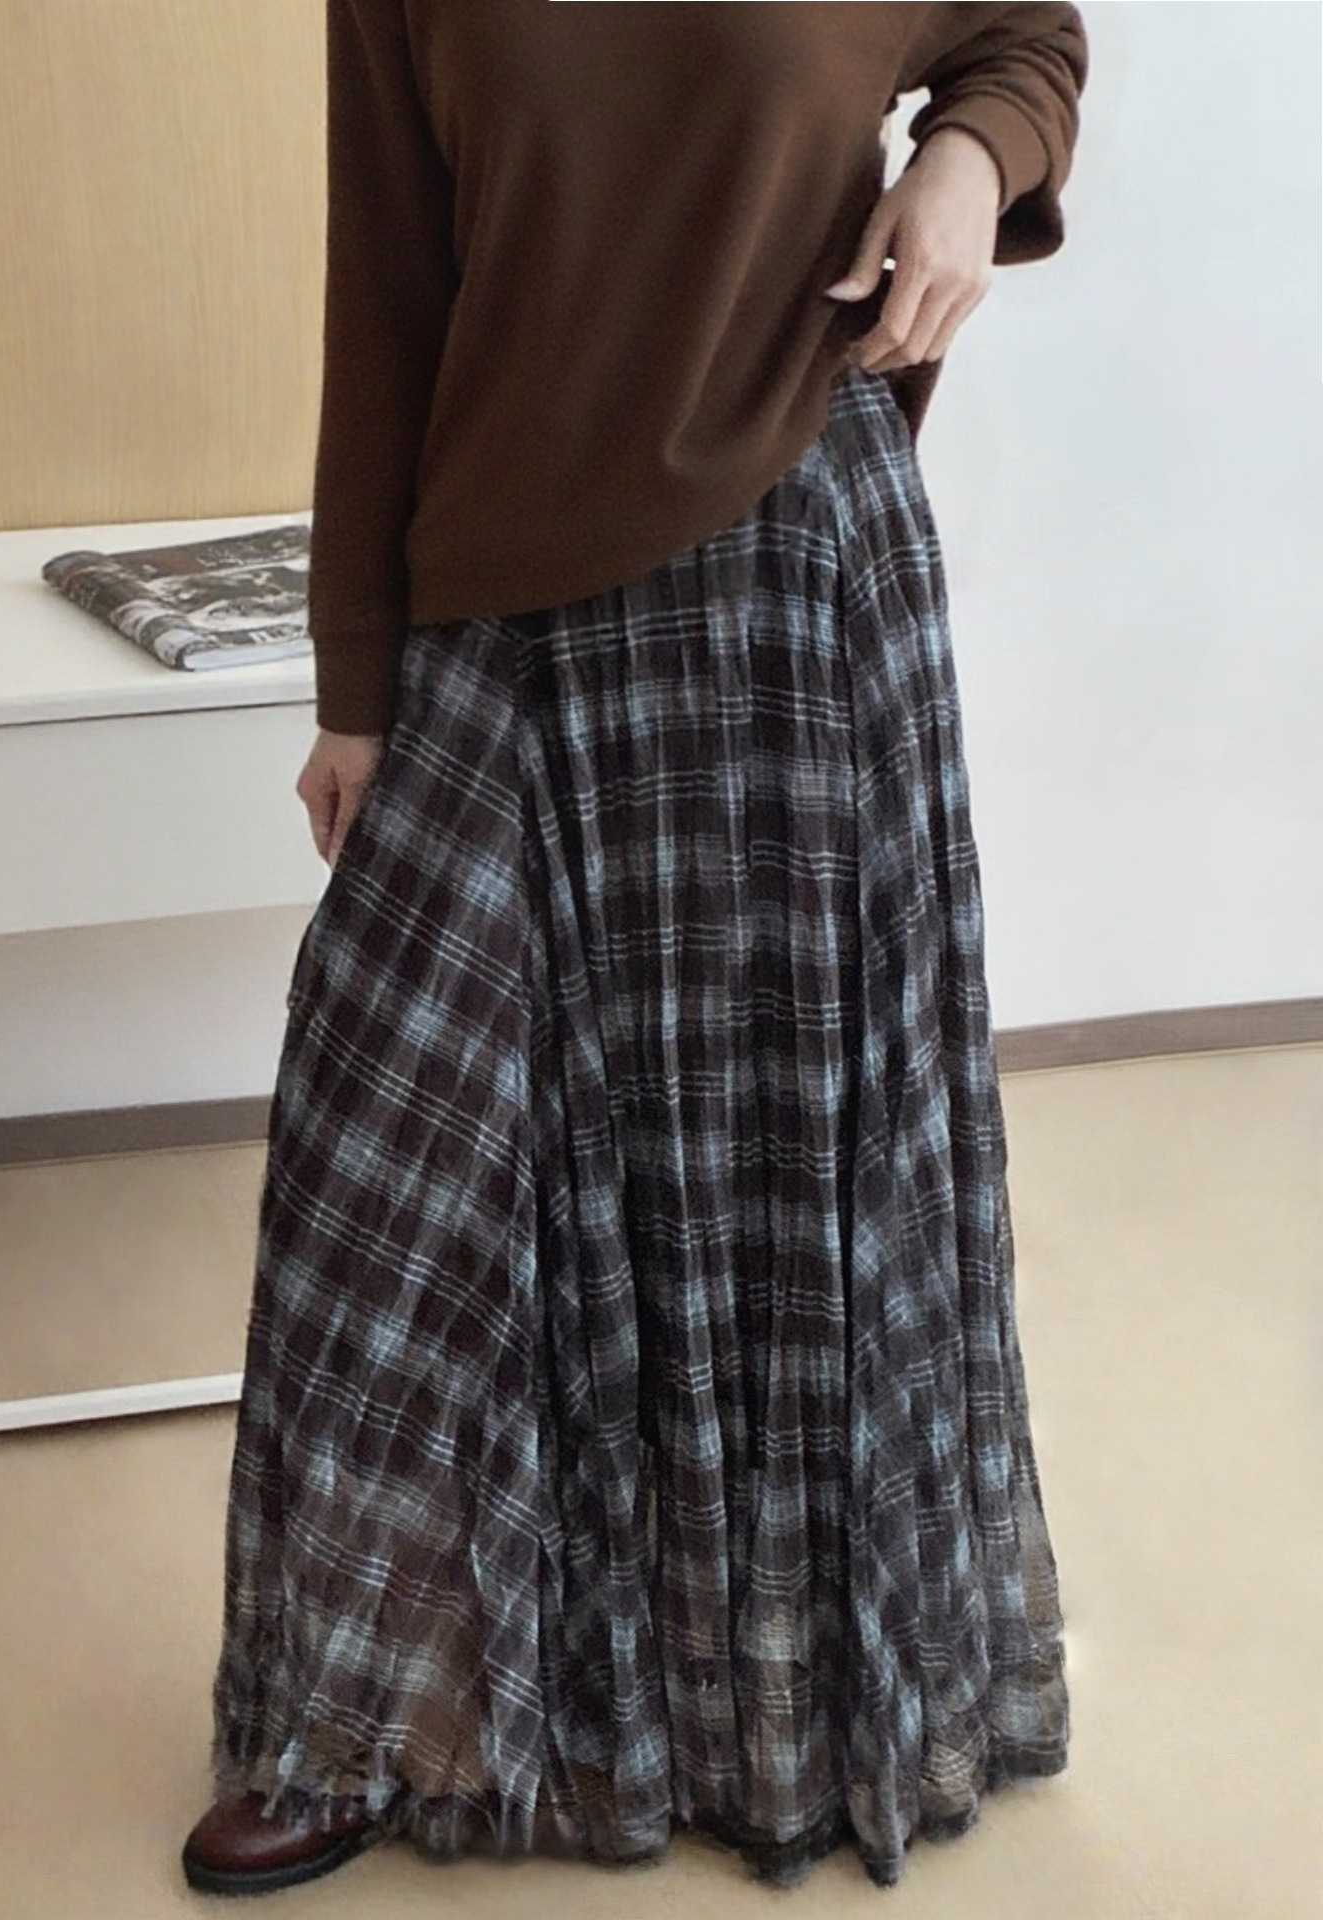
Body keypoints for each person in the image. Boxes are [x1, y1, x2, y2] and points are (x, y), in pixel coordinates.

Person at [182, 0, 1088, 1896]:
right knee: (387, 1172)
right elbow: (387, 289)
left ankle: (769, 1709)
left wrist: (966, 162)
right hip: (501, 604)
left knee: (777, 1178)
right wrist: (356, 679)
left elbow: (1027, 37)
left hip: (793, 572)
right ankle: (363, 1715)